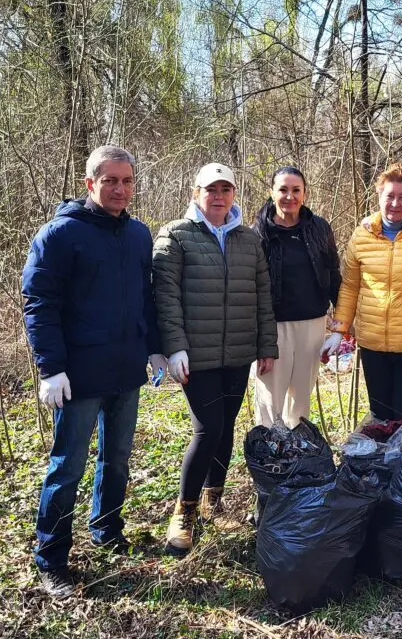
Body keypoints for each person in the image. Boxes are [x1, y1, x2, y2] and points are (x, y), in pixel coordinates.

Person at [22, 145, 166, 598]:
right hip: (78, 375)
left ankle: (107, 529)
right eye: (110, 181)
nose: (120, 189)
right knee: (68, 466)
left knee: (117, 458)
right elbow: (39, 302)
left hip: (125, 370)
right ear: (90, 183)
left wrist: (156, 350)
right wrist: (51, 368)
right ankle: (52, 557)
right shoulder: (61, 234)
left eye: (126, 181)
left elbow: (147, 299)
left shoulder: (139, 234)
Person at [153, 162, 277, 555]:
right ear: (196, 193)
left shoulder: (248, 239)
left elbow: (262, 295)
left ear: (234, 195)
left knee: (225, 428)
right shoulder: (175, 236)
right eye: (211, 190)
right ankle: (184, 512)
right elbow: (164, 297)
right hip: (197, 355)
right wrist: (174, 347)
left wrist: (266, 345)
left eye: (226, 189)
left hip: (238, 352)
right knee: (207, 429)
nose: (219, 196)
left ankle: (213, 501)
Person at [322, 162, 402, 440]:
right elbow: (350, 286)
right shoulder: (362, 235)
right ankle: (385, 479)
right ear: (378, 196)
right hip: (374, 346)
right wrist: (340, 330)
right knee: (381, 419)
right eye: (389, 196)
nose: (395, 203)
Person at [250, 166, 341, 427]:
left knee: (300, 401)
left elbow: (334, 274)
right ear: (272, 192)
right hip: (272, 327)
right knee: (269, 401)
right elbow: (250, 288)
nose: (289, 196)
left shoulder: (319, 228)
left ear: (305, 194)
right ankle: (268, 459)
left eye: (296, 190)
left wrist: (341, 326)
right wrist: (258, 337)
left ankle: (299, 458)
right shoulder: (257, 233)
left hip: (312, 325)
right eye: (283, 189)